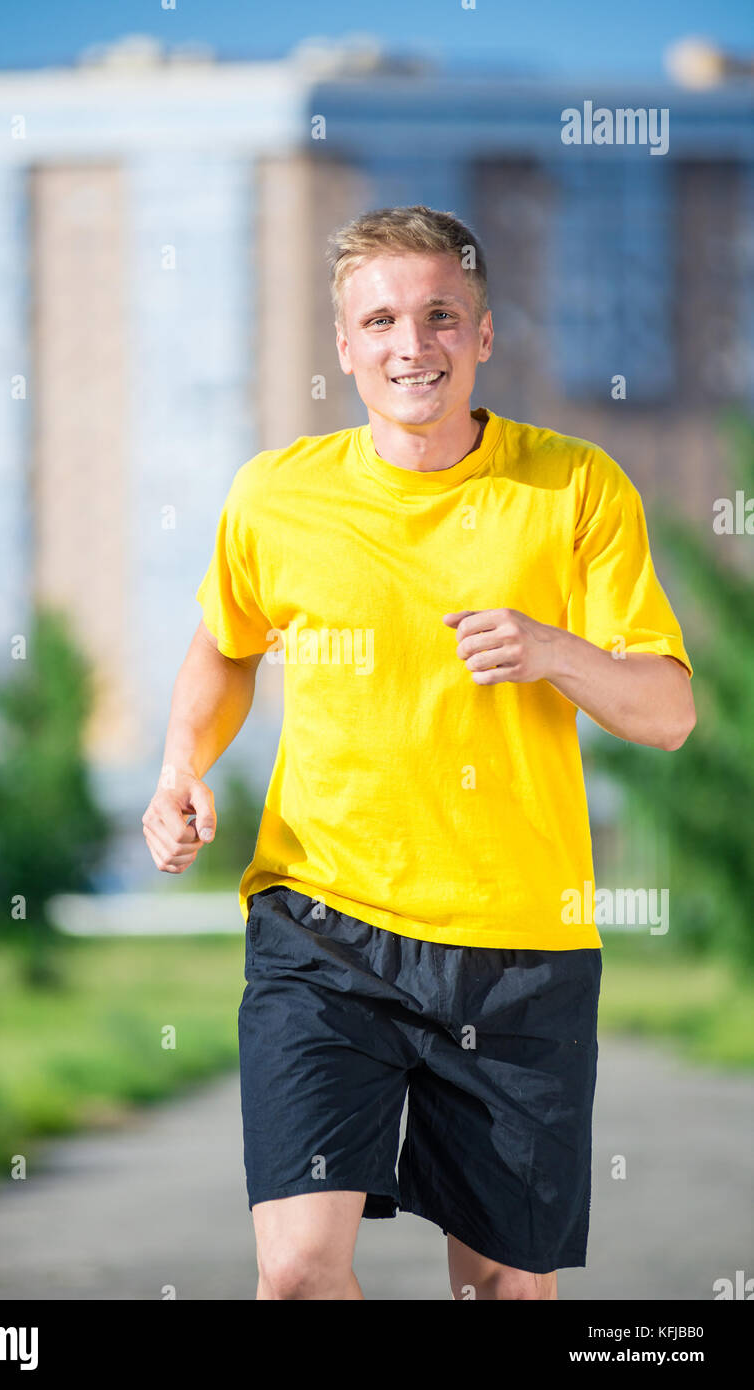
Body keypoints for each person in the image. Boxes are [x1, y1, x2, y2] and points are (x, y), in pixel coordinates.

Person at [141, 204, 695, 1300]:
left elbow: (668, 710)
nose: (412, 344)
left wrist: (553, 649)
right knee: (298, 1273)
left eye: (441, 315)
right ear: (343, 346)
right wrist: (178, 766)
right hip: (321, 928)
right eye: (381, 319)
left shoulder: (575, 488)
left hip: (518, 943)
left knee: (503, 1285)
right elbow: (225, 646)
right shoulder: (276, 494)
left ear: (483, 335)